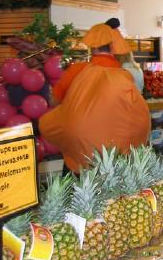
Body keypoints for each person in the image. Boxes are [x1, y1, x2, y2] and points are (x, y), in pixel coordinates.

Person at [40, 22, 151, 173]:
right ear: (112, 48)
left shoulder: (77, 70)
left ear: (92, 47)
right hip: (115, 159)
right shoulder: (125, 76)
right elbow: (138, 115)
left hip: (80, 157)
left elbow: (54, 101)